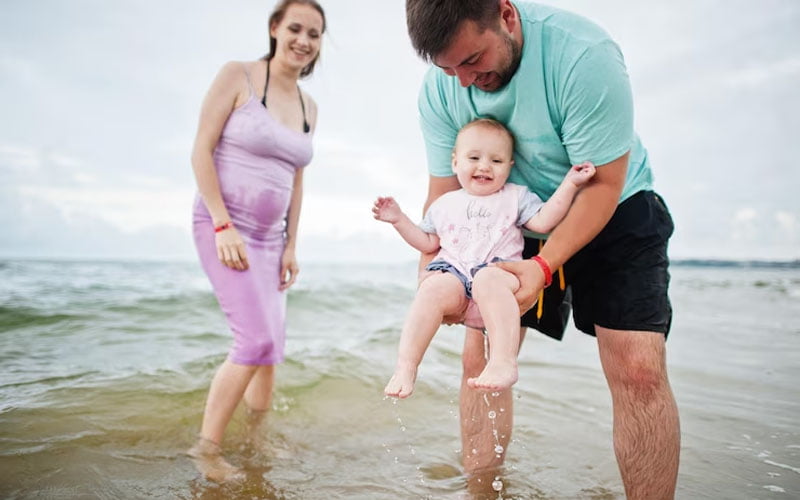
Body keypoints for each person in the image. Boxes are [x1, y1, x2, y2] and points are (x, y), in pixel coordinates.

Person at [404, 1, 679, 499]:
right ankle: (481, 493)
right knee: (480, 360)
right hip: (506, 217)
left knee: (638, 369)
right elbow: (445, 197)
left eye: (472, 60)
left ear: (506, 16)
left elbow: (603, 184)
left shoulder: (583, 55)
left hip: (614, 203)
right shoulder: (442, 88)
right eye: (448, 69)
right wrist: (433, 275)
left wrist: (544, 265)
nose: (464, 82)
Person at [186, 0, 325, 483]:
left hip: (272, 242)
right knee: (254, 339)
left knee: (272, 349)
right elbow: (201, 148)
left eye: (314, 33)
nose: (303, 40)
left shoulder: (310, 107)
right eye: (295, 28)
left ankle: (255, 440)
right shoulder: (238, 76)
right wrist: (224, 224)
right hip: (224, 228)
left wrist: (291, 245)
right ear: (274, 28)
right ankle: (206, 448)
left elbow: (297, 180)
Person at [374, 118, 595, 398]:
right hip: (455, 277)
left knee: (488, 279)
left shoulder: (516, 196)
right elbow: (427, 241)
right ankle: (406, 366)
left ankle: (503, 361)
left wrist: (570, 183)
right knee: (431, 288)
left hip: (497, 276)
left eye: (496, 160)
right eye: (474, 157)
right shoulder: (444, 204)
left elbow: (544, 222)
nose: (484, 166)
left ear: (510, 166)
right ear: (455, 162)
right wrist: (399, 220)